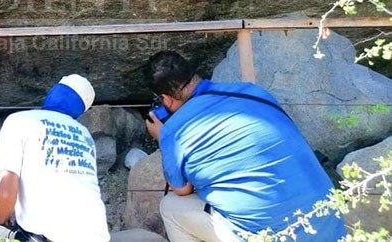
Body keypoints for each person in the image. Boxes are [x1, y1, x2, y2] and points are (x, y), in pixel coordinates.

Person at [143, 50, 346, 242]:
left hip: (267, 235)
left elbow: (182, 189)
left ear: (166, 98)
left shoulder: (173, 132)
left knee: (171, 206)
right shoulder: (253, 92)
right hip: (329, 225)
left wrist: (163, 138)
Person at [0, 74, 110, 242]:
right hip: (98, 237)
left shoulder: (20, 120)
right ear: (81, 109)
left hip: (43, 238)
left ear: (53, 92)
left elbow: (7, 191)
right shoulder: (85, 135)